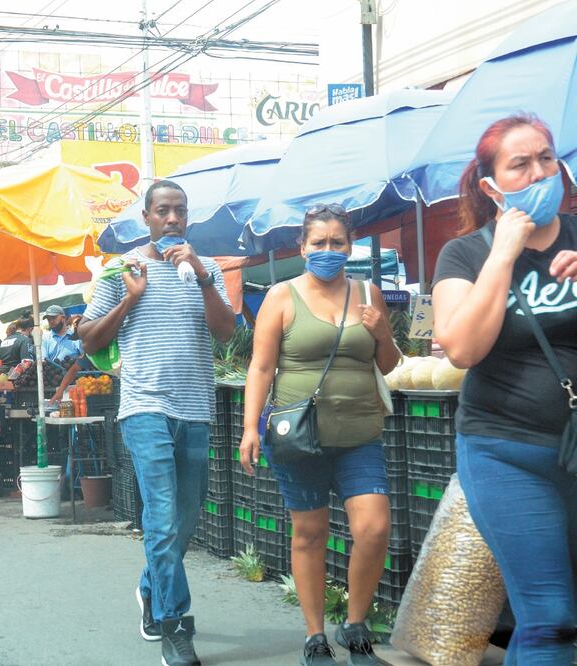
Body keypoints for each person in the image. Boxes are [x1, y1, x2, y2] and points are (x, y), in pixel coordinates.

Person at [432, 114, 577, 665]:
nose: (541, 172)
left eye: (547, 158)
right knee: (549, 617)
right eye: (521, 164)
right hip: (506, 452)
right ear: (492, 185)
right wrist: (503, 254)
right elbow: (463, 347)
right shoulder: (465, 254)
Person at [79, 180, 235, 666]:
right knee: (163, 517)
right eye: (162, 211)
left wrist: (202, 276)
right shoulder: (122, 268)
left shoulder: (206, 268)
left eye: (180, 211)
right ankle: (174, 624)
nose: (172, 219)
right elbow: (86, 337)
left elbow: (226, 332)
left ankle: (151, 589)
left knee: (186, 516)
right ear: (146, 217)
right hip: (145, 408)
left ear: (188, 217)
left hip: (196, 410)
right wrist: (129, 298)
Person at [239, 204, 400, 666]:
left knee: (373, 527)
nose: (328, 251)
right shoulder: (282, 296)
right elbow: (261, 366)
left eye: (337, 243)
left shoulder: (368, 292)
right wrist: (250, 427)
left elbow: (388, 364)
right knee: (309, 533)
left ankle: (354, 625)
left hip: (360, 432)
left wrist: (381, 331)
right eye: (319, 243)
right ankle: (314, 635)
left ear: (350, 246)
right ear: (302, 247)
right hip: (297, 436)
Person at [42, 304, 83, 402]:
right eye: (48, 319)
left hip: (73, 384)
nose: (51, 322)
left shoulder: (76, 335)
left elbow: (83, 357)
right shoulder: (45, 338)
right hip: (52, 383)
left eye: (53, 318)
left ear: (63, 318)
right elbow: (43, 359)